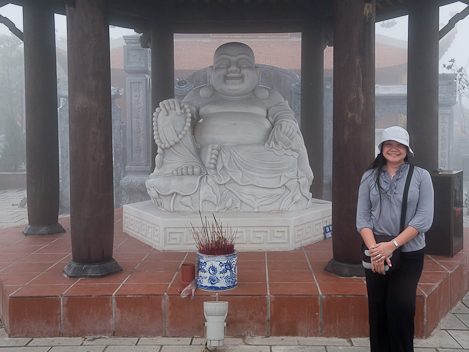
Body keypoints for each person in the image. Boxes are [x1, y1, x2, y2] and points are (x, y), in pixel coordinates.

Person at [146, 42, 313, 212]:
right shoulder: (199, 95)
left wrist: (286, 125)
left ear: (257, 73)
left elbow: (285, 115)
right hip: (199, 156)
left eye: (243, 64)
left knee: (287, 158)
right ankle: (190, 162)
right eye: (224, 64)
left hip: (258, 158)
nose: (233, 69)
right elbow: (182, 118)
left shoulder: (268, 96)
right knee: (169, 114)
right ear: (211, 73)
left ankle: (208, 164)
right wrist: (173, 110)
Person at [356, 126, 434, 352]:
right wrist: (376, 251)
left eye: (400, 145)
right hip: (376, 254)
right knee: (378, 310)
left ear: (407, 150)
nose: (394, 149)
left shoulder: (421, 176)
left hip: (408, 255)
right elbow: (362, 219)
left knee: (401, 309)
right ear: (381, 148)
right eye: (389, 144)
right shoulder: (369, 177)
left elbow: (423, 220)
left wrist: (392, 245)